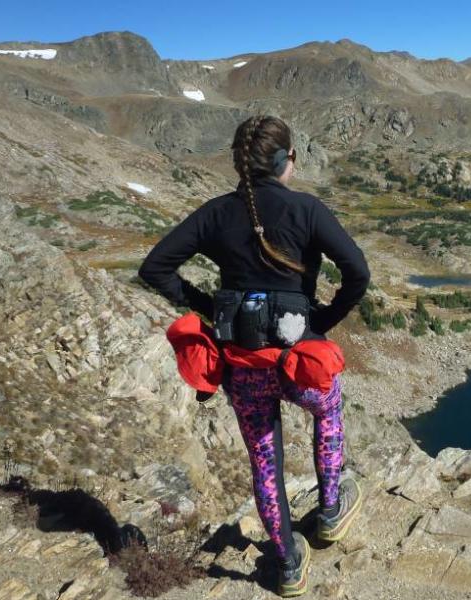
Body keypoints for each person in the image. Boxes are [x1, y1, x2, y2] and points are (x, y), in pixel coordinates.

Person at [138, 115, 370, 597]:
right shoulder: (307, 210)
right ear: (288, 160)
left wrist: (207, 308)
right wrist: (319, 322)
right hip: (300, 356)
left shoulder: (216, 213)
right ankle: (330, 512)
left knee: (264, 458)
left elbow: (155, 267)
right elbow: (358, 274)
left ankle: (287, 564)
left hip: (243, 364)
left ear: (240, 164)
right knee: (327, 411)